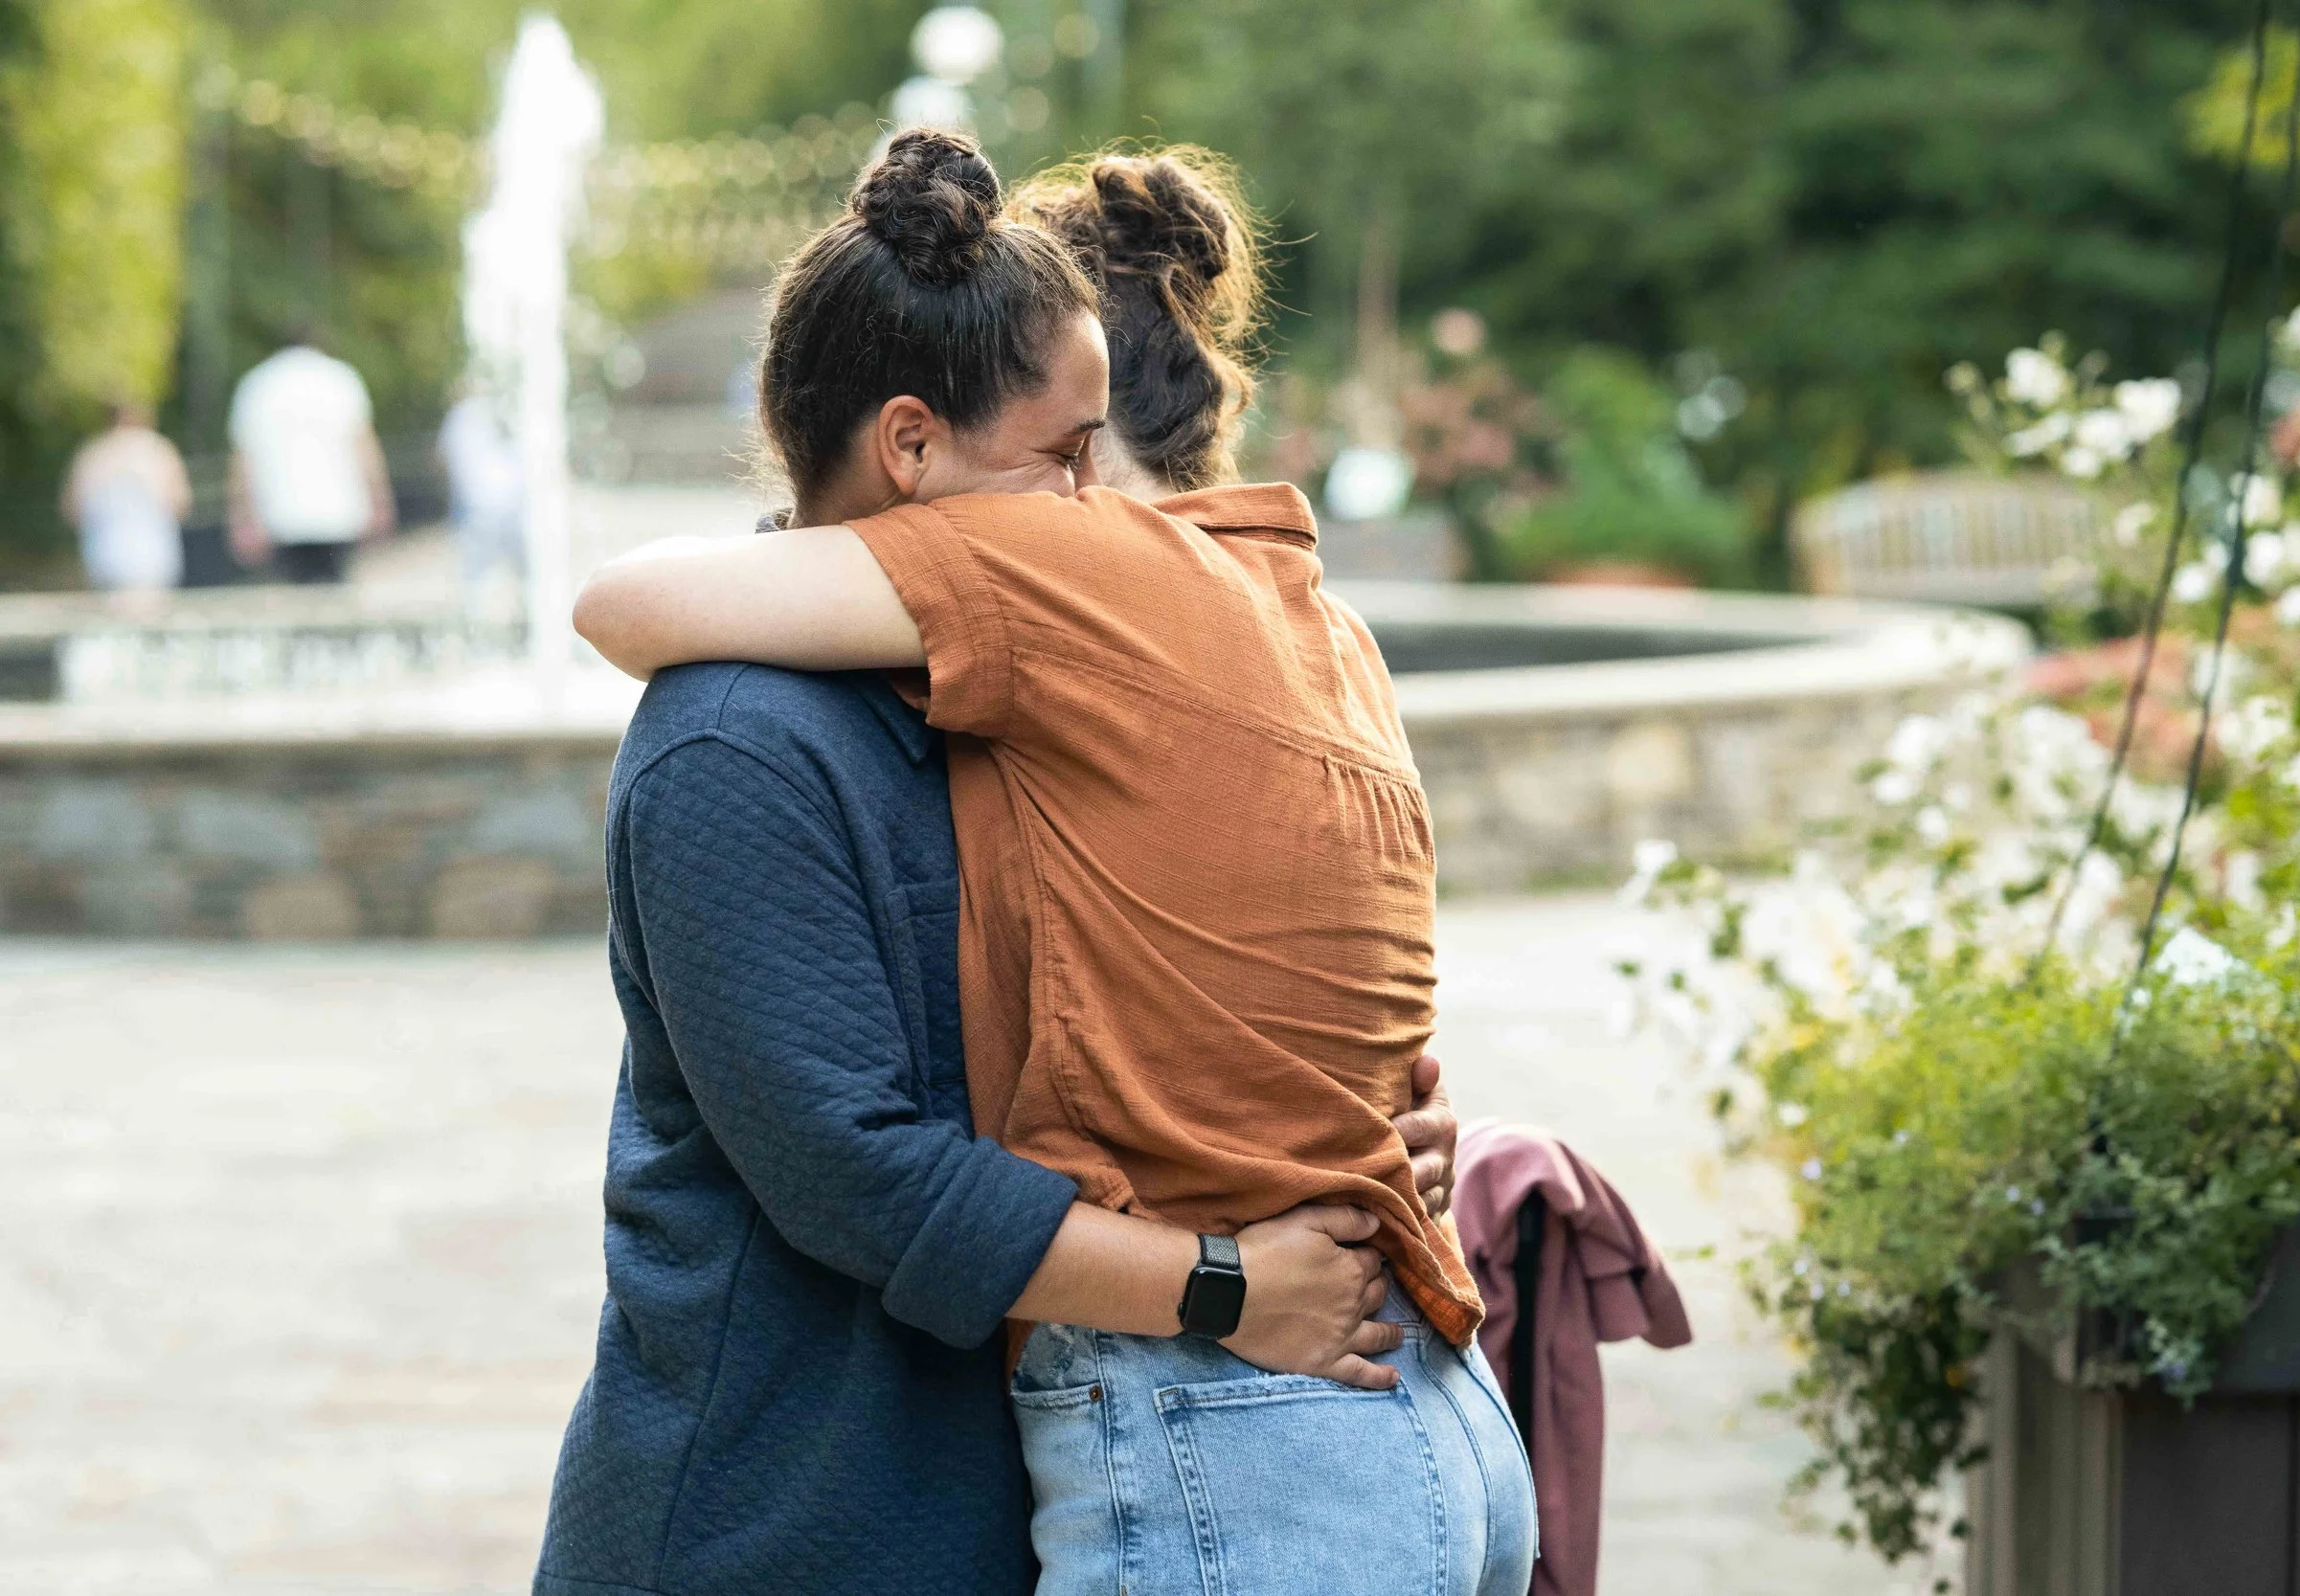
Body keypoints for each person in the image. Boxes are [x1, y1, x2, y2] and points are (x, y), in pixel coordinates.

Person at [573, 132, 1535, 1596]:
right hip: (786, 1518)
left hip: (1009, 1500)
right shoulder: (737, 739)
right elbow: (855, 1170)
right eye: (1065, 462)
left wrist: (1342, 1122)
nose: (1100, 512)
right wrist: (1225, 1282)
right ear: (911, 448)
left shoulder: (1026, 692)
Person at [226, 326, 395, 584]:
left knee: (296, 593)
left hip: (280, 514)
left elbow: (244, 460)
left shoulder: (256, 385)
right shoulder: (341, 379)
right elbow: (365, 448)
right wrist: (380, 501)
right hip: (339, 511)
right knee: (334, 591)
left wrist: (242, 517)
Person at [61, 402, 190, 606]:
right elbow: (181, 505)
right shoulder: (158, 450)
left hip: (103, 556)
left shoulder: (91, 454)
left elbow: (72, 510)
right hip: (151, 557)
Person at [436, 381, 525, 589]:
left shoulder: (459, 417)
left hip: (476, 505)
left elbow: (442, 458)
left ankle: (474, 615)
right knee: (524, 572)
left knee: (474, 575)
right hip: (514, 503)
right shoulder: (507, 411)